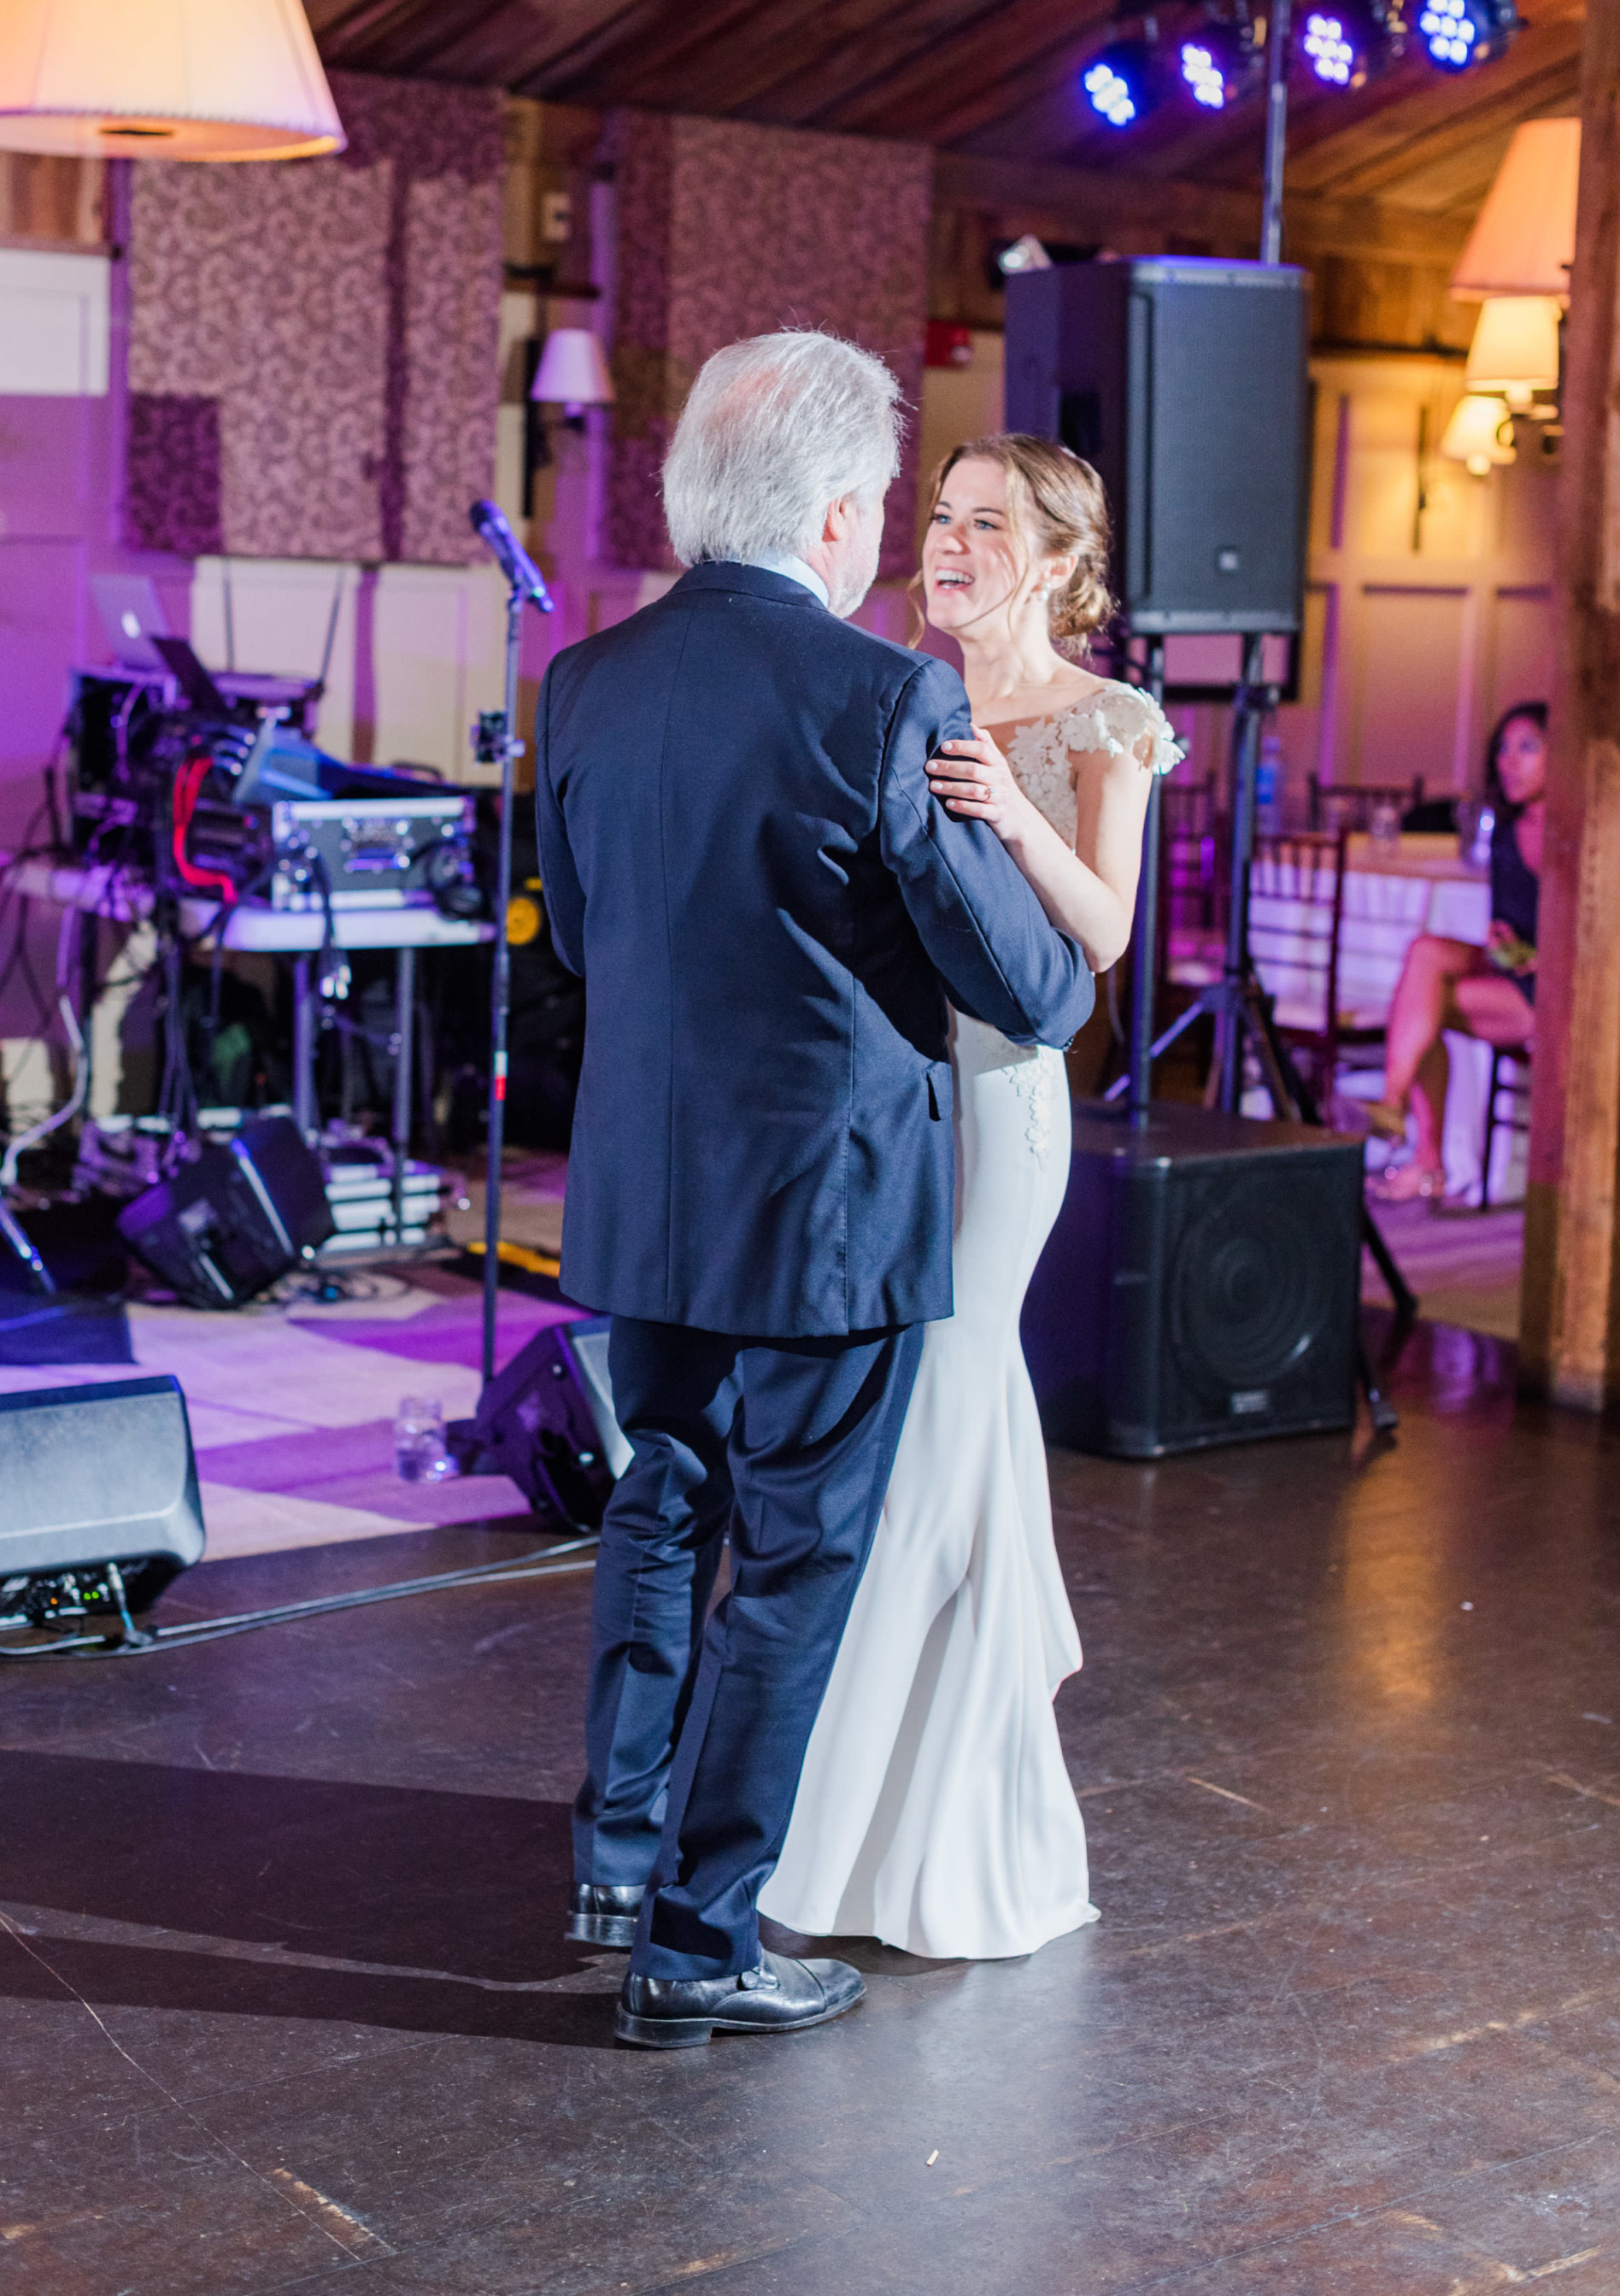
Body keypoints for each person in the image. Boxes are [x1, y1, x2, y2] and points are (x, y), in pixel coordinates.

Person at [537, 336, 1096, 2049]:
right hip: (826, 1211)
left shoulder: (586, 678)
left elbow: (579, 937)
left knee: (659, 1505)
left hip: (651, 1186)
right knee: (792, 1562)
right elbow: (1025, 984)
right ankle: (701, 1939)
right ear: (842, 509)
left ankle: (613, 1864)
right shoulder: (881, 697)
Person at [762, 436, 1182, 1959]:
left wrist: (1009, 806)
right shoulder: (895, 694)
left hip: (1002, 1104)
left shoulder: (1103, 719)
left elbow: (1105, 935)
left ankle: (833, 1833)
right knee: (917, 1411)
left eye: (985, 522)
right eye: (940, 515)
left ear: (1060, 561)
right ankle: (921, 1806)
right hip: (879, 1101)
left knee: (942, 1401)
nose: (946, 541)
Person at [1365, 700, 1547, 1202]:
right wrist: (1506, 944)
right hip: (1518, 972)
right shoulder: (1507, 831)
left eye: (1527, 747)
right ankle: (1398, 1109)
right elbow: (1512, 931)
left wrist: (1546, 956)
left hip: (1561, 993)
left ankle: (1423, 1154)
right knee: (1424, 957)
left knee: (1421, 1006)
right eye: (1503, 749)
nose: (1509, 761)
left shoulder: (1582, 835)